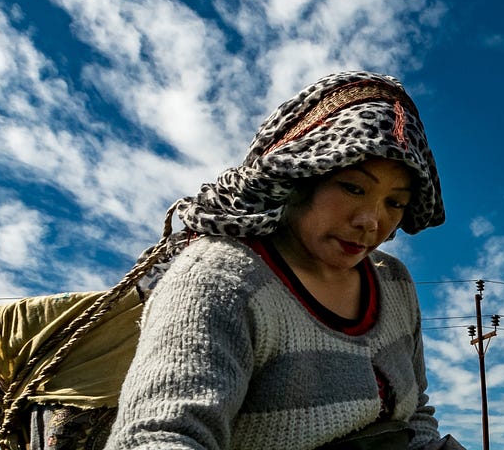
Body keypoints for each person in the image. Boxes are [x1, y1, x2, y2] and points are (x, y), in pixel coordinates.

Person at [97, 71, 461, 449]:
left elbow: (414, 412)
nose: (371, 221)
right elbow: (160, 437)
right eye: (353, 188)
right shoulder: (220, 279)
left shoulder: (394, 282)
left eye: (395, 202)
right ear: (300, 176)